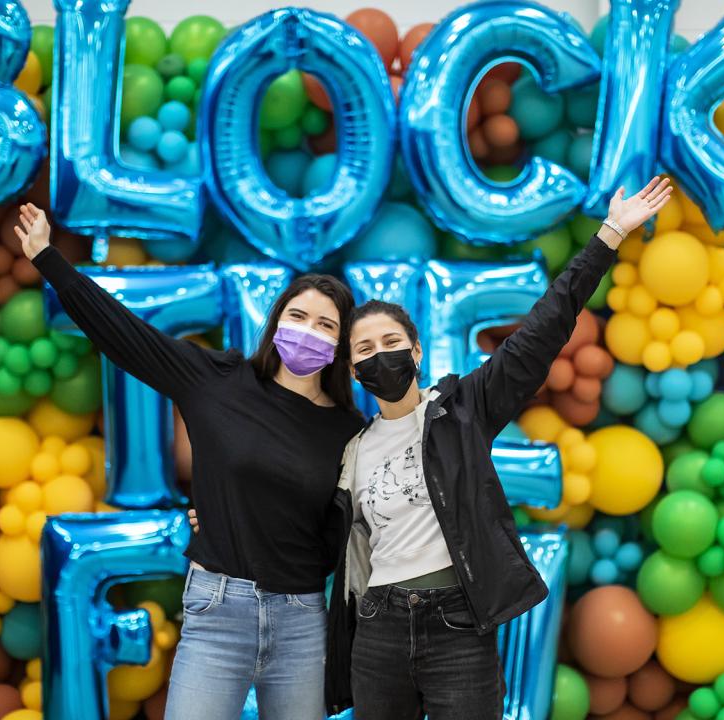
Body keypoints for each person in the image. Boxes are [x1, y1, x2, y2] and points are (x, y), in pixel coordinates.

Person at [189, 178, 672, 718]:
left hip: (457, 626)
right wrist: (220, 517)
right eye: (364, 350)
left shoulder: (464, 410)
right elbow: (303, 524)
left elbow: (544, 329)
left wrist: (609, 234)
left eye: (391, 344)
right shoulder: (350, 449)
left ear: (416, 350)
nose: (380, 356)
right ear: (351, 370)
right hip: (378, 631)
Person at [15, 203, 364, 720]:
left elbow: (351, 527)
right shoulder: (218, 381)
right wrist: (48, 258)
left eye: (325, 325)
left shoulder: (350, 432)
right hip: (219, 608)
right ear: (275, 324)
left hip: (302, 620)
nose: (307, 331)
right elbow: (125, 336)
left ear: (339, 348)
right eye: (297, 316)